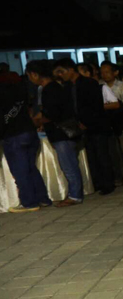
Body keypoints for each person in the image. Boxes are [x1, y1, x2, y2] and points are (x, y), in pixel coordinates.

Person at [30, 61, 83, 207]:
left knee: (68, 165)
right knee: (70, 163)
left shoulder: (50, 89)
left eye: (30, 76)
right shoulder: (55, 87)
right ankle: (74, 194)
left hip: (62, 132)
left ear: (35, 74)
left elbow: (53, 113)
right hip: (63, 131)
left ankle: (75, 195)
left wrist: (39, 122)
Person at [2, 66, 51, 212]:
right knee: (31, 168)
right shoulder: (21, 91)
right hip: (29, 132)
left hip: (13, 136)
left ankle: (29, 203)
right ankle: (42, 198)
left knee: (20, 171)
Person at [68, 58, 115, 195]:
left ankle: (107, 183)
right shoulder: (73, 86)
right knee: (93, 156)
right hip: (86, 127)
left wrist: (86, 121)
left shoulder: (92, 84)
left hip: (97, 125)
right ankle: (98, 182)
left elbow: (96, 107)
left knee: (102, 155)